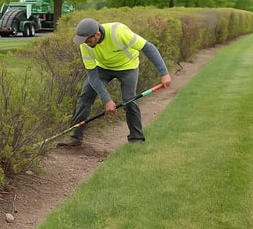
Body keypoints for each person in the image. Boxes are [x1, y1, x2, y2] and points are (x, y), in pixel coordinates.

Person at [57, 18, 172, 147]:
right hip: (103, 68)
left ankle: (137, 139)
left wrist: (164, 73)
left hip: (128, 67)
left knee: (129, 100)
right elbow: (92, 76)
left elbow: (149, 48)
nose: (86, 43)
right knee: (85, 96)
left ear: (97, 34)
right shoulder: (85, 45)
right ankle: (76, 137)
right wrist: (107, 99)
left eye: (88, 40)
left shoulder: (119, 32)